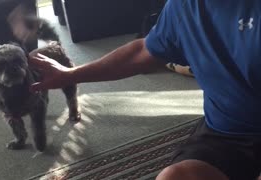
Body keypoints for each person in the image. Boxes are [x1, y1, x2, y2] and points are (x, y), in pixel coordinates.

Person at [29, 0, 261, 179]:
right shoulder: (184, 6)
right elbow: (143, 52)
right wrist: (70, 74)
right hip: (224, 130)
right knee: (175, 177)